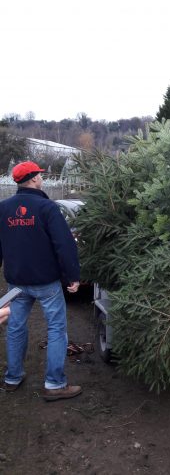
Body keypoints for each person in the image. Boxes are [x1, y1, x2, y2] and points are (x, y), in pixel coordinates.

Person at [0, 161, 82, 401]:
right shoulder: (47, 208)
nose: (42, 179)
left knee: (15, 327)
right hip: (46, 283)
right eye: (40, 176)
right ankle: (54, 384)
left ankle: (12, 378)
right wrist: (72, 276)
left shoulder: (3, 208)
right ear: (34, 178)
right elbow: (64, 245)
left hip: (16, 282)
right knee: (56, 328)